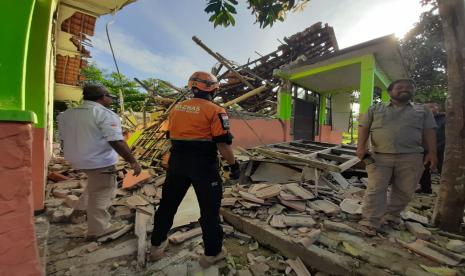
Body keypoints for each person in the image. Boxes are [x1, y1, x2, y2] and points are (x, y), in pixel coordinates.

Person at [150, 71, 240, 267]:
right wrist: (234, 165)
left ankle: (156, 246)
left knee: (167, 205)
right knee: (209, 211)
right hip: (204, 166)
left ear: (192, 87)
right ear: (214, 89)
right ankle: (212, 254)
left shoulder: (176, 109)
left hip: (177, 164)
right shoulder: (216, 110)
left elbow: (170, 136)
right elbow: (223, 145)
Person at [58, 84, 142, 239]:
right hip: (98, 162)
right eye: (109, 96)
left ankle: (78, 213)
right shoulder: (105, 114)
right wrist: (133, 161)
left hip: (75, 159)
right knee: (102, 192)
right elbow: (116, 141)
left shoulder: (66, 114)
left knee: (95, 184)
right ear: (103, 97)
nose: (110, 99)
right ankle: (98, 230)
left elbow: (63, 138)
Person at [356, 79, 437, 235]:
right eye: (400, 87)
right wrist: (361, 147)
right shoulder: (375, 108)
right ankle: (370, 221)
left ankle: (391, 217)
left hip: (411, 157)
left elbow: (429, 131)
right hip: (379, 156)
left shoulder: (423, 111)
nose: (405, 89)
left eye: (409, 87)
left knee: (405, 190)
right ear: (390, 92)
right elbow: (363, 127)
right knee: (375, 189)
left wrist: (432, 153)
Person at [417, 102, 446, 194]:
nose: (428, 109)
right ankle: (426, 188)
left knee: (443, 170)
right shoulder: (421, 120)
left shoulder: (445, 119)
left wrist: (435, 148)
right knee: (423, 169)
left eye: (431, 107)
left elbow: (447, 137)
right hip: (425, 149)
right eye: (426, 108)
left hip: (441, 149)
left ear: (437, 108)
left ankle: (446, 191)